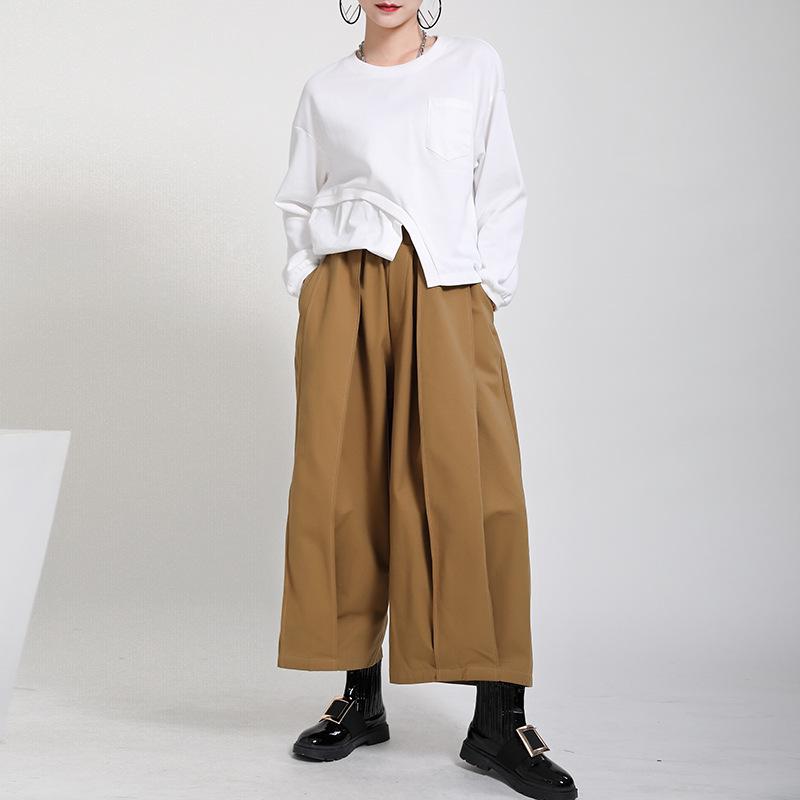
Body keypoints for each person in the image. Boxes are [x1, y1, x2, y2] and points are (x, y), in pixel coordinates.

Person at [273, 2, 577, 798]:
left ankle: (498, 721)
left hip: (444, 288)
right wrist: (311, 285)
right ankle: (361, 698)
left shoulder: (473, 64)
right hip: (345, 288)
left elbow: (500, 185)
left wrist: (484, 294)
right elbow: (299, 200)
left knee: (478, 492)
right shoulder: (326, 89)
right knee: (346, 491)